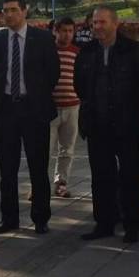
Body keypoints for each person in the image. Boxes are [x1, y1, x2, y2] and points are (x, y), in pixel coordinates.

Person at [75, 4, 139, 242]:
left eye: (102, 22)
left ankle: (132, 225)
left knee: (129, 176)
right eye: (94, 23)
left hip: (125, 125)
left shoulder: (133, 51)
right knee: (101, 177)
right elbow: (80, 86)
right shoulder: (86, 52)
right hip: (97, 126)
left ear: (115, 23)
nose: (97, 27)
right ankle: (104, 223)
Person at [0, 0, 60, 234]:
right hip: (7, 109)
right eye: (5, 10)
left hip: (34, 109)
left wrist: (37, 95)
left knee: (38, 167)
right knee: (7, 169)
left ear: (24, 11)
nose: (9, 14)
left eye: (13, 10)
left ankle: (40, 218)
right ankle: (9, 219)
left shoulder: (43, 39)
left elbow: (53, 72)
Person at [49, 17, 80, 197]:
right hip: (51, 108)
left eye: (70, 31)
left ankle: (61, 183)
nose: (67, 35)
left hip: (72, 107)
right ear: (55, 31)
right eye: (63, 31)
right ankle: (38, 184)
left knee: (67, 149)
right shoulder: (49, 51)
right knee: (44, 149)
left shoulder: (77, 52)